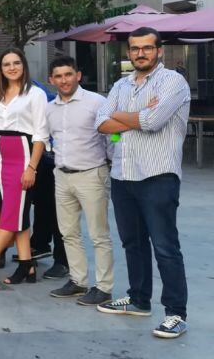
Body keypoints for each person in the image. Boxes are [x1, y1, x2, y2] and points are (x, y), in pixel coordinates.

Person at [95, 27, 191, 339]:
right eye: (135, 48)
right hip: (123, 174)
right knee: (132, 243)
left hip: (157, 176)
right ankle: (138, 300)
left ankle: (176, 313)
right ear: (128, 52)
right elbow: (101, 122)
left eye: (147, 48)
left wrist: (123, 118)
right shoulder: (121, 84)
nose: (140, 53)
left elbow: (154, 122)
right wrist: (136, 115)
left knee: (165, 246)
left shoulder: (173, 82)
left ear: (159, 51)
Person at [0, 47, 50, 285]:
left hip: (24, 154)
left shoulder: (35, 94)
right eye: (7, 64)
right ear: (1, 69)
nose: (12, 67)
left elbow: (40, 135)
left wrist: (32, 167)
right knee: (16, 213)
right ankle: (27, 266)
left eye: (16, 63)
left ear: (23, 65)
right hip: (2, 157)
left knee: (11, 215)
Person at [44, 56, 113, 307]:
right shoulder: (49, 108)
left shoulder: (97, 102)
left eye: (68, 74)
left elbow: (113, 135)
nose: (64, 80)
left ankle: (104, 287)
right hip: (62, 176)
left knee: (98, 235)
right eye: (59, 76)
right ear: (51, 80)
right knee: (68, 233)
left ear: (78, 75)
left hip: (92, 174)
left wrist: (113, 161)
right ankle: (78, 280)